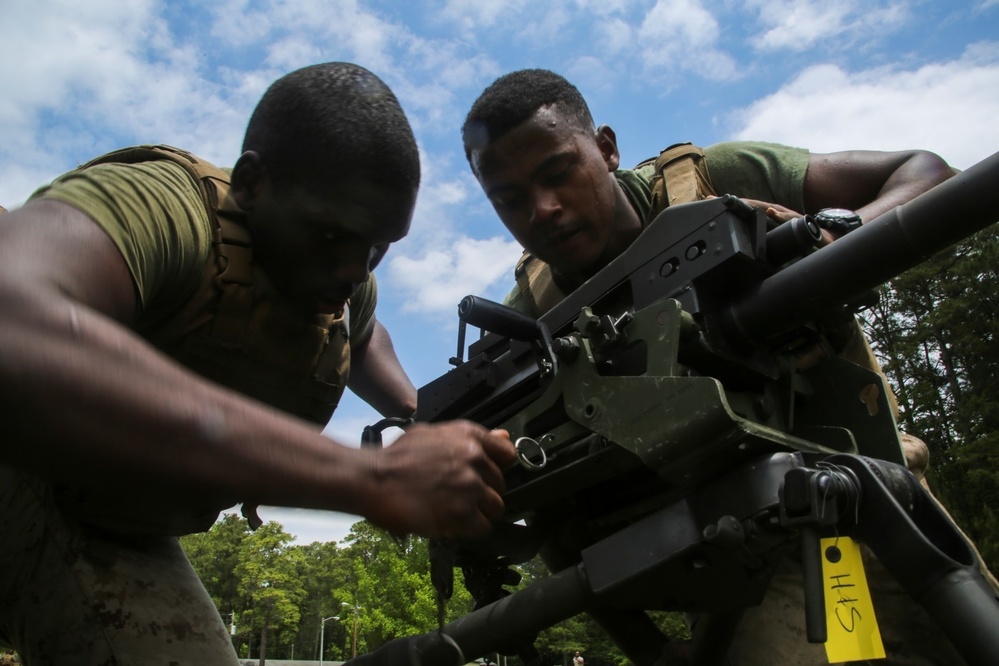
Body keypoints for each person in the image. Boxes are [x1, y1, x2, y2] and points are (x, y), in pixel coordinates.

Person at [460, 68, 994, 665]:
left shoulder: (712, 180)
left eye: (558, 172)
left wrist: (828, 236)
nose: (543, 209)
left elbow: (926, 172)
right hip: (740, 550)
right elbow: (551, 514)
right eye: (510, 200)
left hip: (878, 491)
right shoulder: (529, 321)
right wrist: (651, 650)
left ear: (606, 148)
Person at [0, 62, 516, 665]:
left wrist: (422, 416)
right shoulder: (163, 207)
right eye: (332, 237)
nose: (355, 270)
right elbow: (15, 326)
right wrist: (372, 479)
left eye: (379, 246)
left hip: (114, 516)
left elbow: (361, 337)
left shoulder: (339, 279)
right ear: (251, 183)